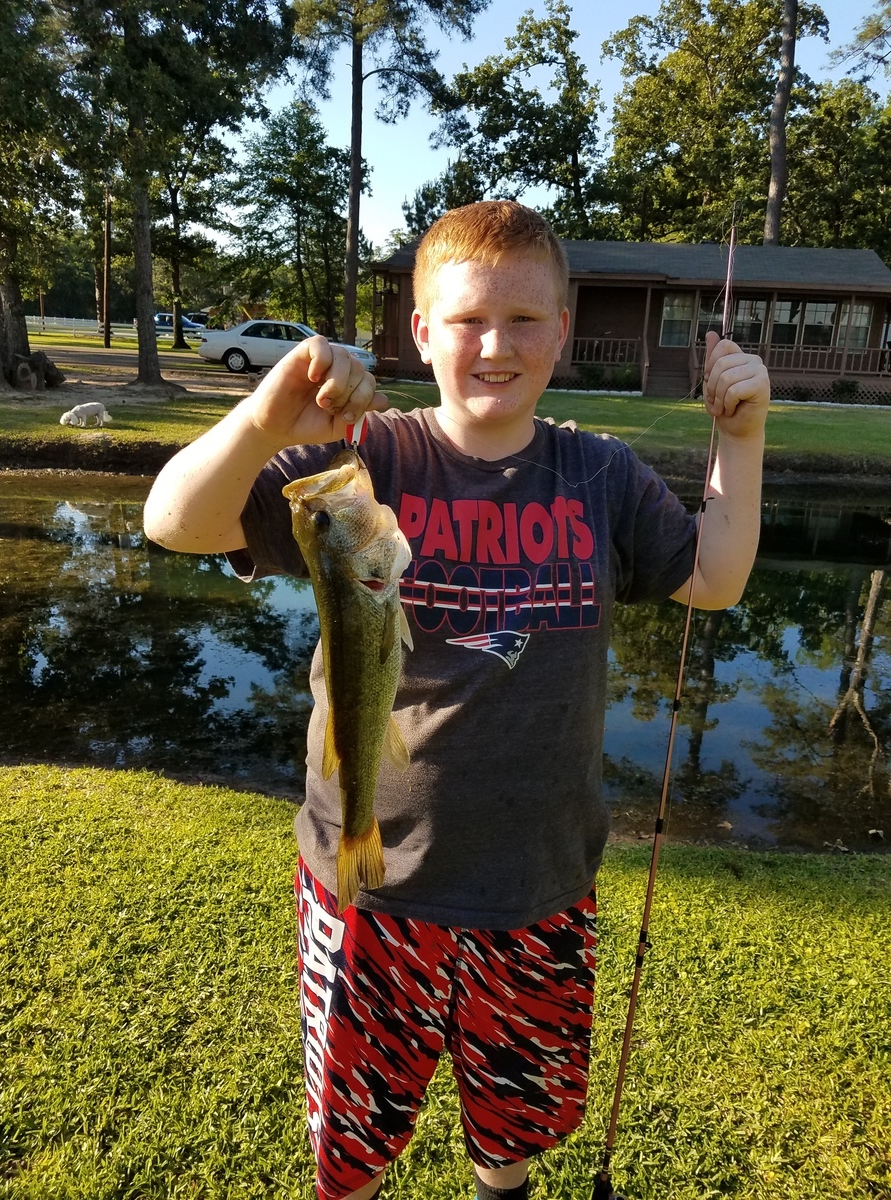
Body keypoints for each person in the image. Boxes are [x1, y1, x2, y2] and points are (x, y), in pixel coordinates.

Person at [143, 201, 770, 1200]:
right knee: (355, 1139)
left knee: (512, 1124)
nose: (495, 345)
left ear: (562, 332)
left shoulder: (600, 474)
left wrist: (741, 438)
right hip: (369, 890)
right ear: (422, 332)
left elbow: (715, 579)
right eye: (469, 319)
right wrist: (262, 423)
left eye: (524, 320)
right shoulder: (362, 463)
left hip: (539, 888)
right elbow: (175, 523)